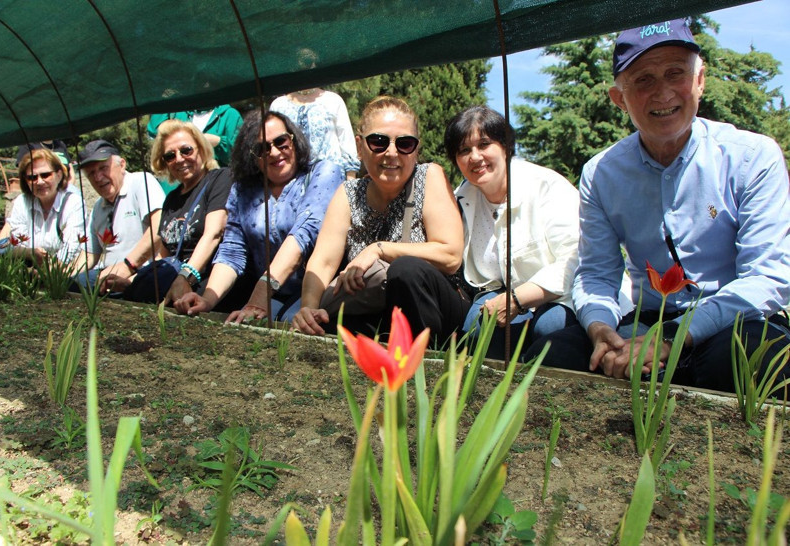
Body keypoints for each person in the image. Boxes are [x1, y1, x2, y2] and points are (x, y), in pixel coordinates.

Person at [526, 19, 790, 392]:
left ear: (700, 81)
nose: (663, 93)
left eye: (675, 73)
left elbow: (767, 278)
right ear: (619, 98)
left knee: (744, 362)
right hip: (645, 324)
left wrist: (675, 339)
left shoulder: (752, 157)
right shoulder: (601, 173)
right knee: (553, 354)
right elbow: (597, 273)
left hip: (734, 322)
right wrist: (601, 329)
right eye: (644, 80)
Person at [291, 96, 466, 342]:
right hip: (374, 309)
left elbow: (450, 256)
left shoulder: (430, 176)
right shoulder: (348, 193)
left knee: (406, 270)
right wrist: (308, 308)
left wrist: (379, 250)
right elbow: (322, 262)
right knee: (316, 323)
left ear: (416, 149)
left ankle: (421, 365)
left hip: (434, 307)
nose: (391, 153)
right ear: (360, 147)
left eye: (405, 143)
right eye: (379, 142)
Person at [173, 110, 342, 321]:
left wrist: (258, 297)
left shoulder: (323, 173)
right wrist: (207, 299)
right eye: (262, 148)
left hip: (318, 289)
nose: (274, 152)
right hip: (274, 293)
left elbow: (303, 234)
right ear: (251, 156)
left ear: (294, 140)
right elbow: (232, 251)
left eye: (281, 142)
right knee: (246, 323)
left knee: (287, 325)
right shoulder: (243, 190)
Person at [444, 105, 580, 360]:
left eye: (484, 144)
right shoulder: (461, 199)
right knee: (477, 330)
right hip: (498, 293)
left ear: (506, 147)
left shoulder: (546, 187)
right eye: (464, 150)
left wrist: (518, 299)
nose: (475, 157)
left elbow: (576, 258)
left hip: (561, 294)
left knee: (549, 329)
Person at [110, 120, 234, 304]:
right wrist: (131, 282)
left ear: (201, 148)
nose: (179, 159)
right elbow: (164, 256)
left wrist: (185, 277)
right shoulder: (172, 199)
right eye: (170, 156)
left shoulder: (220, 179)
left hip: (206, 280)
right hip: (174, 279)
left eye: (186, 150)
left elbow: (214, 233)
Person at [71, 139, 165, 292]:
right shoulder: (98, 207)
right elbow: (89, 255)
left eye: (103, 168)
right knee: (72, 284)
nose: (98, 177)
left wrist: (127, 266)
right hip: (107, 274)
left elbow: (159, 226)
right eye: (91, 173)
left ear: (122, 165)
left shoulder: (141, 181)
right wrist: (60, 275)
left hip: (142, 271)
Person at [0, 148, 85, 265]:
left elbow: (72, 248)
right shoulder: (22, 203)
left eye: (45, 175)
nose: (39, 182)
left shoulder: (73, 202)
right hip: (30, 265)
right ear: (25, 181)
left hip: (65, 271)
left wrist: (50, 272)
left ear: (59, 175)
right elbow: (17, 243)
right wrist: (30, 253)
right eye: (32, 177)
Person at [270, 88, 360, 181]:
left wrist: (351, 178)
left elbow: (346, 141)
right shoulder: (278, 105)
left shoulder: (333, 100)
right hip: (292, 180)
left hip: (330, 179)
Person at [147, 105, 243, 168]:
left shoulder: (230, 114)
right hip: (179, 186)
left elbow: (241, 159)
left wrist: (218, 142)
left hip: (216, 186)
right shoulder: (178, 112)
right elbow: (155, 130)